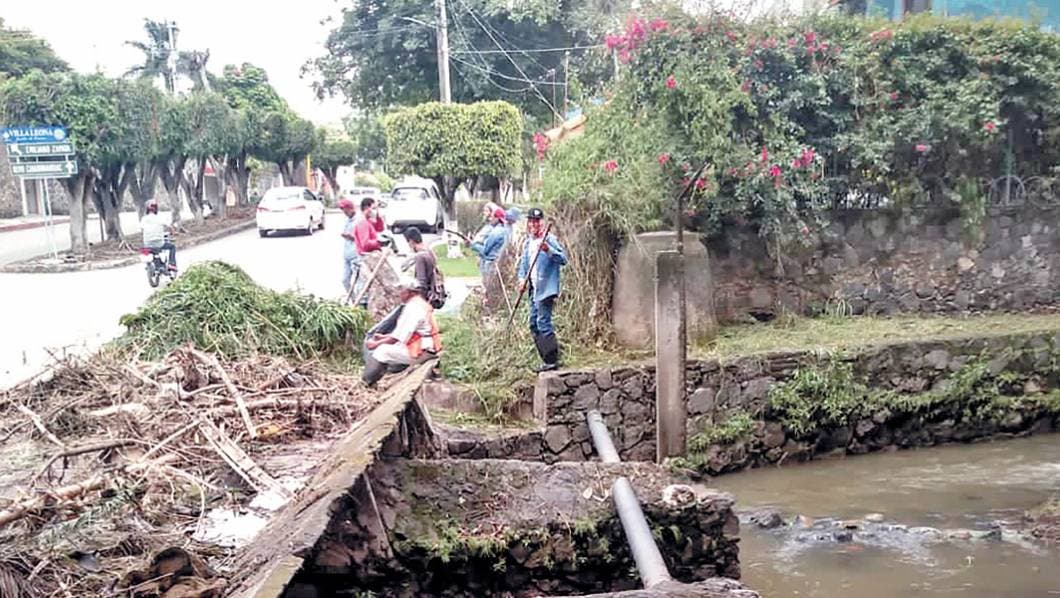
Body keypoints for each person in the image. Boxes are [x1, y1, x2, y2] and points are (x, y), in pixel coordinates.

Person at [362, 279, 442, 387]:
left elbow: (397, 337)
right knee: (385, 348)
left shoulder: (413, 308)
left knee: (381, 351)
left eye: (401, 291)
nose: (399, 294)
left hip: (423, 350)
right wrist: (383, 337)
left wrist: (376, 344)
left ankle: (367, 382)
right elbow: (403, 333)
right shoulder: (420, 304)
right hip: (426, 346)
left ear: (410, 292)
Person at [517, 208, 567, 372]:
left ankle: (552, 360)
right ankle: (545, 358)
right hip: (534, 289)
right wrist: (521, 280)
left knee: (543, 322)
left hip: (546, 289)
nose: (533, 224)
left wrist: (548, 250)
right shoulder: (528, 242)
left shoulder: (549, 239)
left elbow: (563, 259)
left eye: (536, 221)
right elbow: (524, 266)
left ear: (542, 222)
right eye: (531, 221)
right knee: (533, 324)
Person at [342, 196, 386, 307]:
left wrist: (378, 215)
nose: (375, 210)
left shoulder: (368, 221)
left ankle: (360, 304)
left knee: (365, 284)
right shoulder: (362, 223)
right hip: (361, 257)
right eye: (374, 208)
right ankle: (359, 305)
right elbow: (365, 244)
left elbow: (379, 228)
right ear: (367, 208)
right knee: (360, 285)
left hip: (364, 257)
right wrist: (379, 242)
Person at [470, 207, 511, 277]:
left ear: (497, 218)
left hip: (490, 264)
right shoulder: (506, 231)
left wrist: (474, 245)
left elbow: (485, 251)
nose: (490, 219)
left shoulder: (496, 232)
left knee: (487, 283)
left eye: (492, 217)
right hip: (498, 263)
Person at [402, 226, 436, 301]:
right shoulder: (429, 251)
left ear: (411, 241)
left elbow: (421, 283)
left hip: (426, 298)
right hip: (433, 292)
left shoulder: (420, 256)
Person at [141, 199, 176, 271]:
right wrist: (173, 232)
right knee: (172, 247)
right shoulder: (160, 218)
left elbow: (142, 228)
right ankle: (172, 264)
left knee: (145, 250)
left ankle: (149, 265)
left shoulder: (143, 219)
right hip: (159, 243)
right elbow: (169, 226)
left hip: (147, 244)